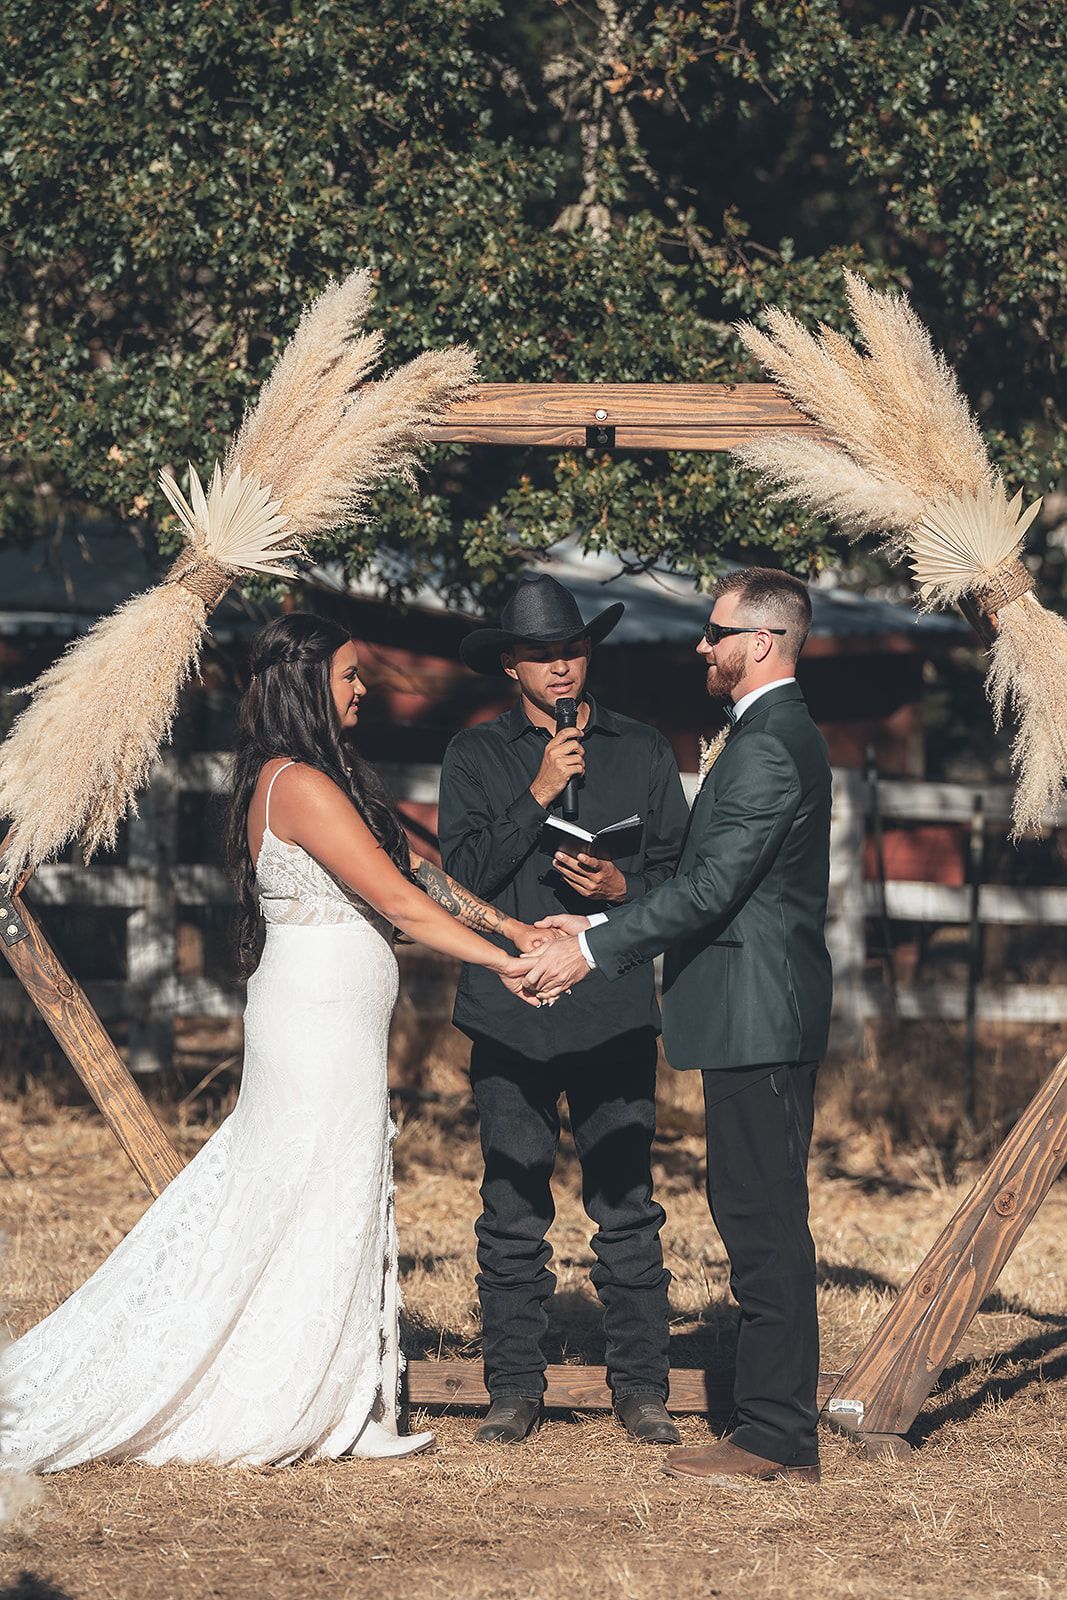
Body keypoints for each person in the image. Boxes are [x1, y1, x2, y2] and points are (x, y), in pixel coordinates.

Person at [0, 613, 547, 1473]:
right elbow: (402, 908)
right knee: (319, 1189)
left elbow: (415, 878)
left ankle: (339, 1392)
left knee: (331, 1192)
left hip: (331, 1018)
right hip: (316, 1022)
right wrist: (505, 965)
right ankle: (302, 1398)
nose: (361, 687)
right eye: (347, 675)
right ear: (305, 687)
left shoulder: (315, 777)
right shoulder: (298, 784)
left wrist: (512, 928)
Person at [527, 568, 833, 1484]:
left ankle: (778, 1435)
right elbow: (714, 889)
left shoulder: (770, 744)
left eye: (715, 632)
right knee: (752, 1213)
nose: (701, 646)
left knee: (763, 1222)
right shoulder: (761, 736)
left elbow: (711, 892)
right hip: (743, 1015)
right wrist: (597, 920)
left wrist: (591, 954)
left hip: (759, 1020)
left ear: (762, 643)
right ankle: (772, 1424)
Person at [439, 575, 690, 1446]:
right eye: (541, 655)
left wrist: (623, 887)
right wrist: (539, 790)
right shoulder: (475, 756)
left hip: (611, 1005)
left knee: (624, 1204)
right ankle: (513, 1389)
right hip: (509, 1007)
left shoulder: (643, 749)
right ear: (509, 664)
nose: (560, 667)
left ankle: (643, 1390)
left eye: (572, 650)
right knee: (513, 1204)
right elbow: (459, 881)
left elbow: (685, 881)